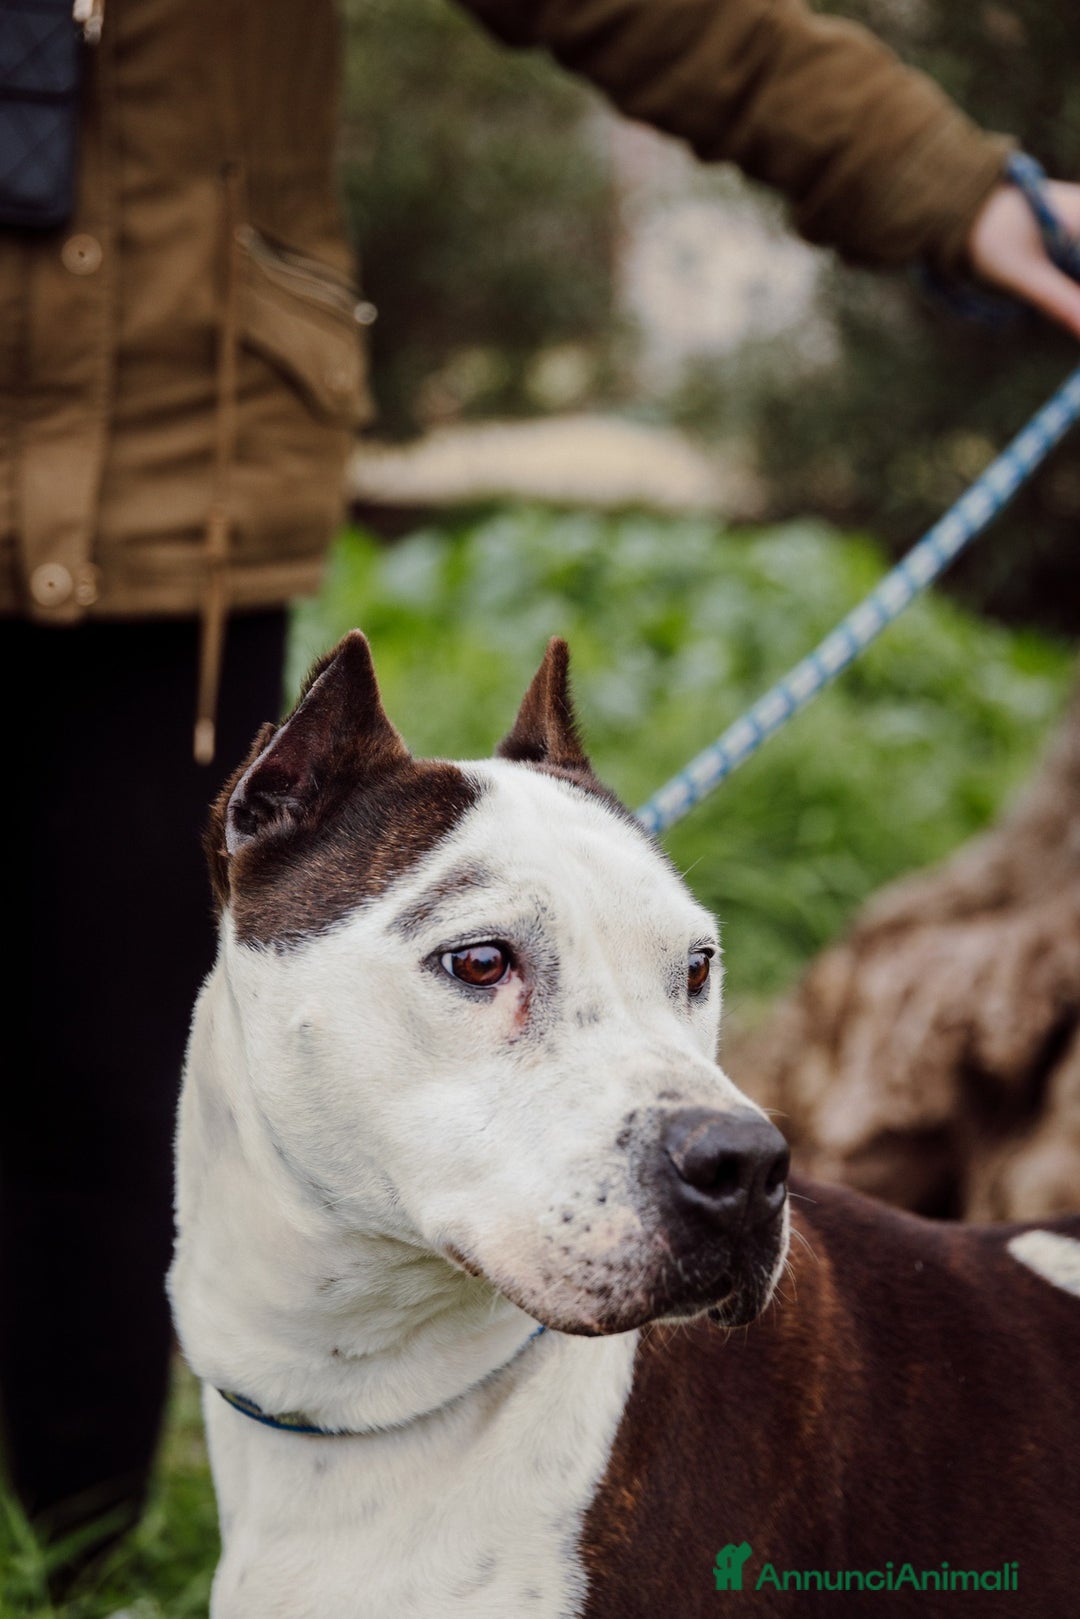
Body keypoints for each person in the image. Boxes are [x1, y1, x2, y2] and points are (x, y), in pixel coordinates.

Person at [2, 0, 1078, 1570]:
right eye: (486, 967)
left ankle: (82, 1559)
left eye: (695, 972)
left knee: (102, 1065)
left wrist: (957, 185)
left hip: (174, 484)